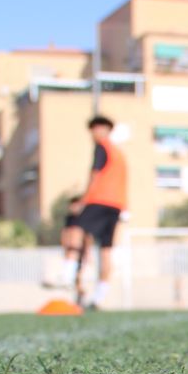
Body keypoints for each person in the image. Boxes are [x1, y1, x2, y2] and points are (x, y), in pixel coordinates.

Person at [72, 115, 127, 310]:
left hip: (100, 200)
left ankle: (67, 271)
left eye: (96, 129)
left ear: (104, 130)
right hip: (116, 205)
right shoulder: (118, 153)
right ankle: (98, 297)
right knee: (106, 250)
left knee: (75, 229)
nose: (94, 134)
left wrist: (83, 200)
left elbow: (94, 175)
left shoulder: (102, 147)